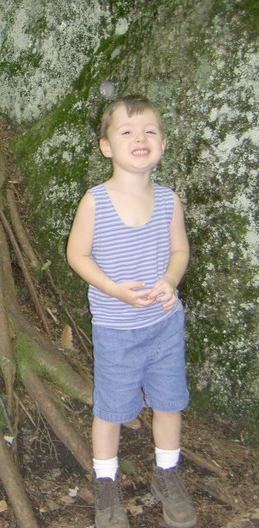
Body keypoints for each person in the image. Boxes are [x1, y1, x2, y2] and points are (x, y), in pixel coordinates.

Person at [66, 95, 197, 528]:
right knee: (111, 409)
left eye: (150, 131)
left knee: (168, 401)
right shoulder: (95, 202)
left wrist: (171, 280)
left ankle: (167, 474)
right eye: (127, 131)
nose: (140, 138)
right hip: (117, 329)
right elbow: (77, 256)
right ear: (107, 146)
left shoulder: (168, 200)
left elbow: (179, 248)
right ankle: (105, 484)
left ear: (162, 143)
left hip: (164, 325)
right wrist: (113, 290)